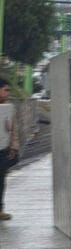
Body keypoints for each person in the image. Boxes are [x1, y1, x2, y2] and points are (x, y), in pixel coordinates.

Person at [0, 78, 19, 220]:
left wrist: (13, 147)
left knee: (1, 179)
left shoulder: (8, 108)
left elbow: (13, 129)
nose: (8, 93)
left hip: (3, 149)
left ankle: (0, 209)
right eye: (5, 90)